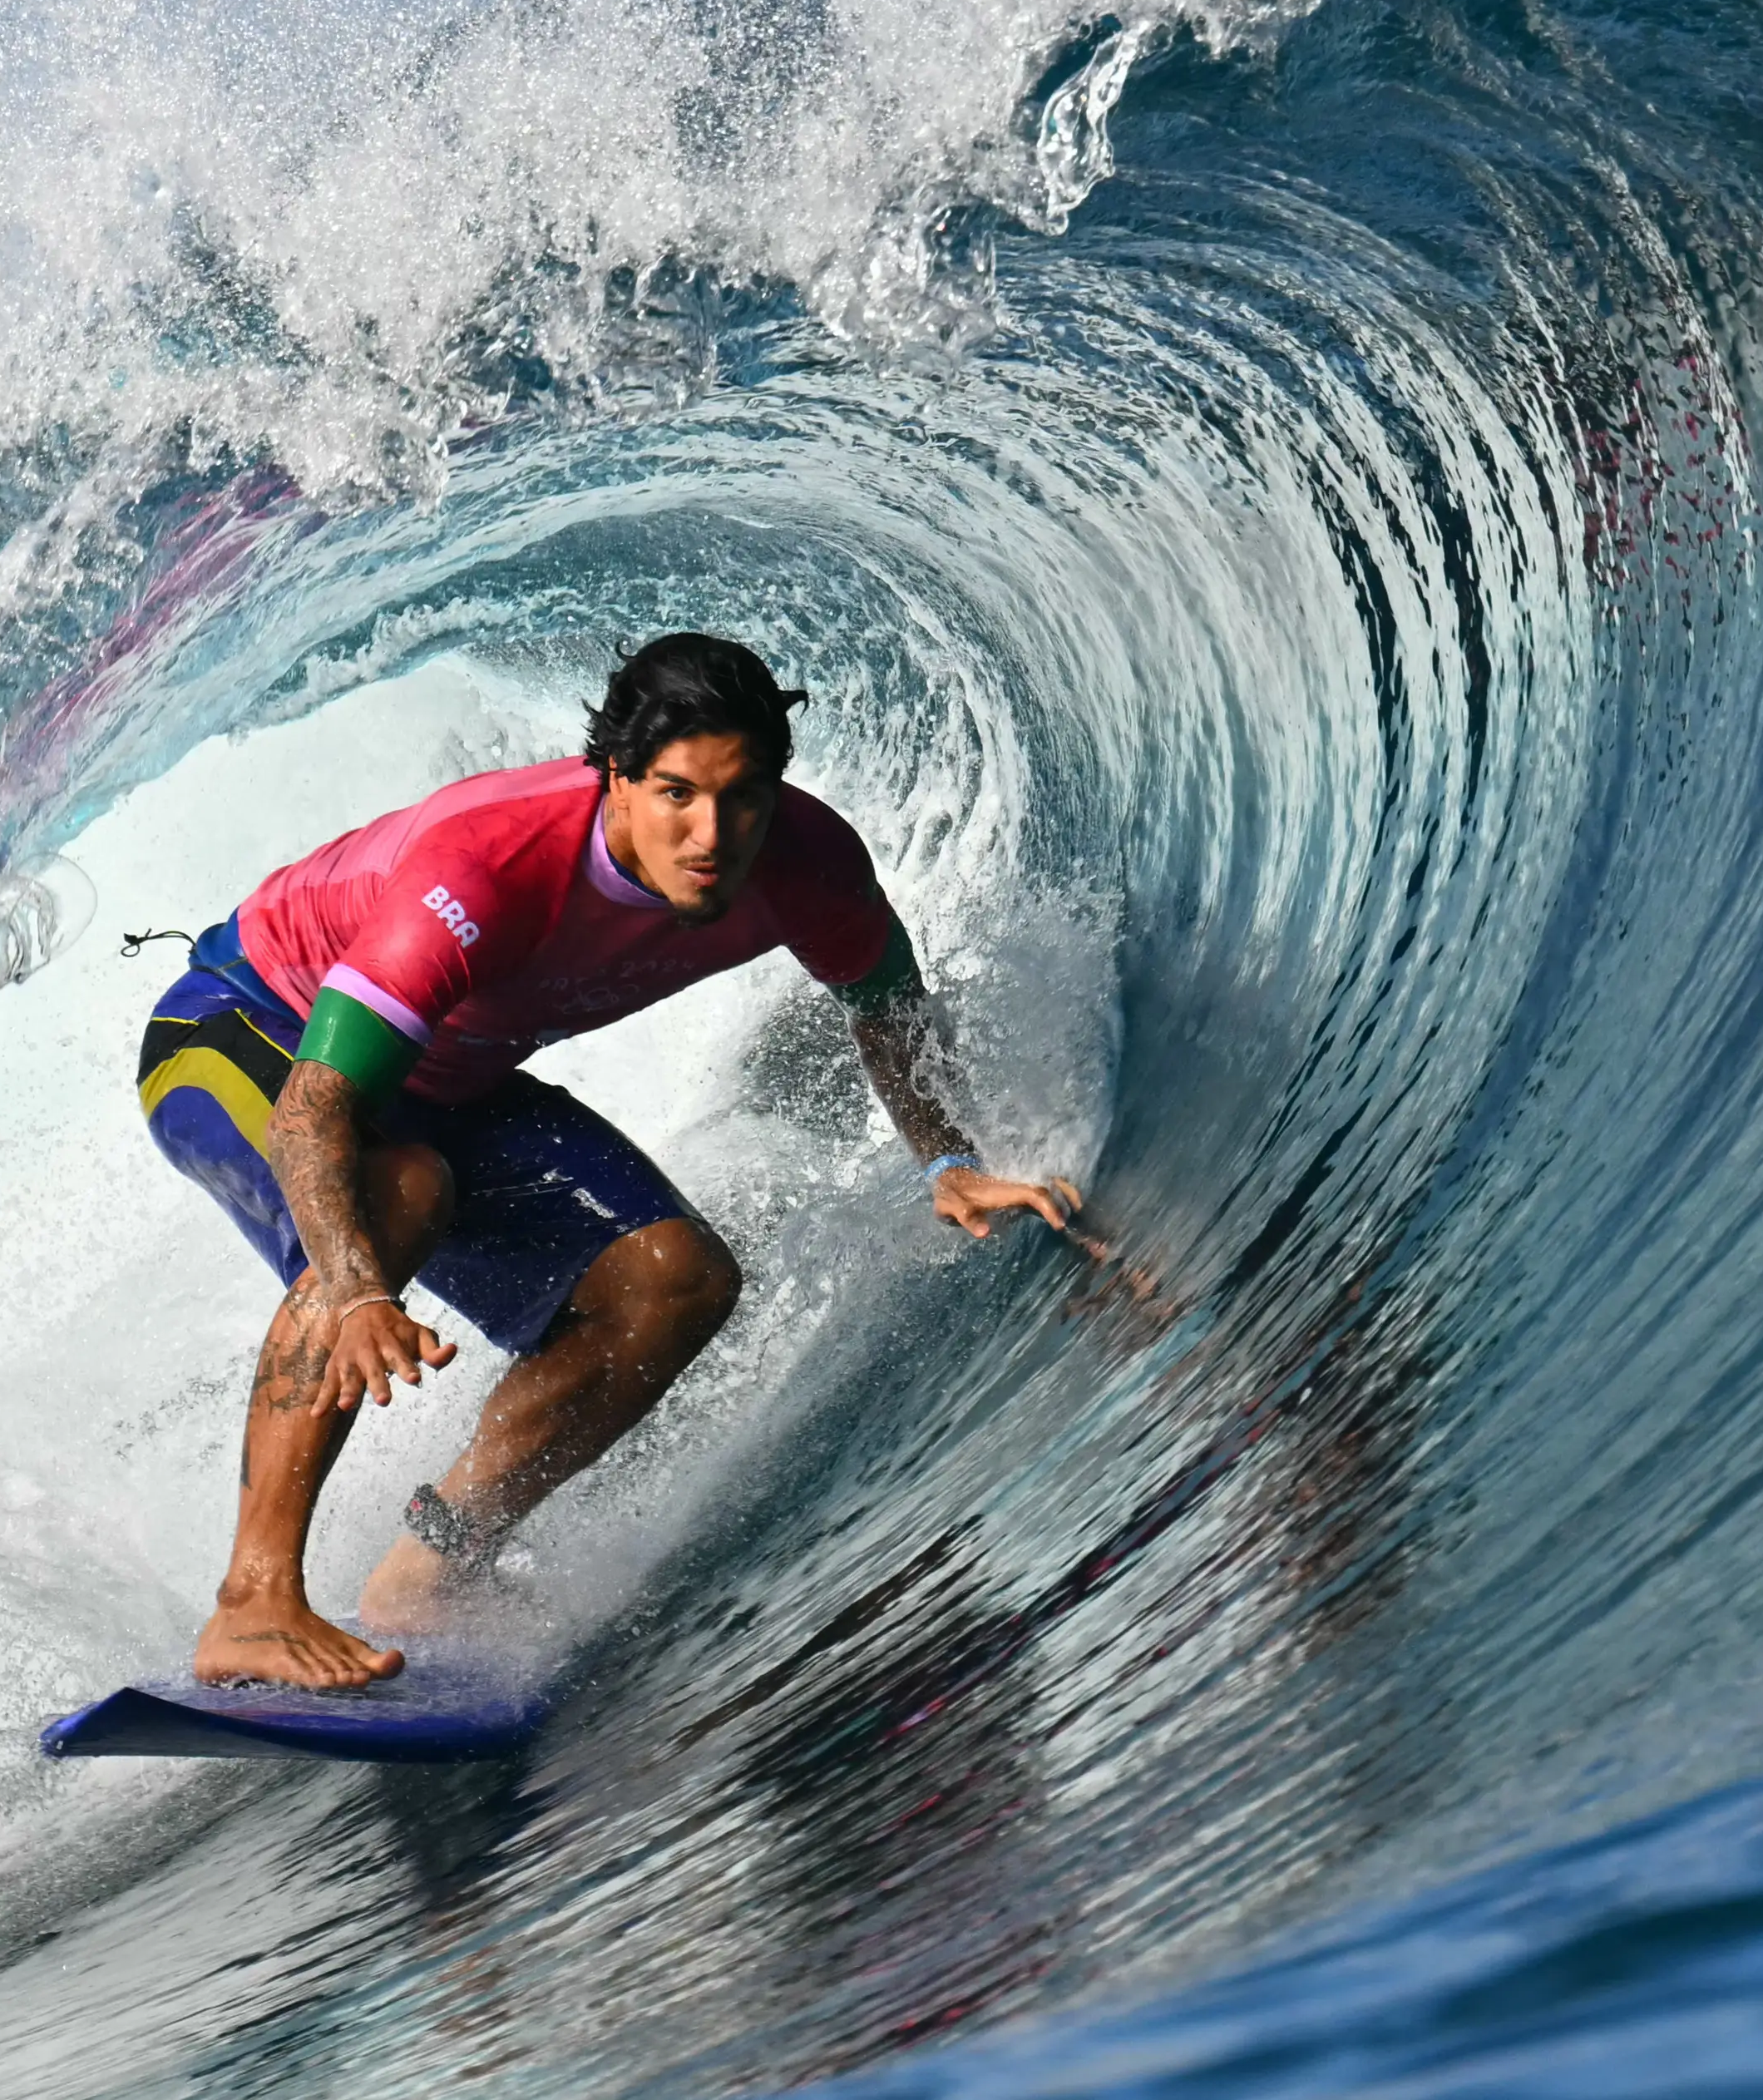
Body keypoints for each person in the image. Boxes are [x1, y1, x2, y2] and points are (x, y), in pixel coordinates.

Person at [134, 632, 1086, 1688]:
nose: (711, 834)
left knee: (674, 1282)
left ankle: (437, 1564)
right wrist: (357, 1292)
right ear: (617, 780)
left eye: (743, 796)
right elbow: (312, 1114)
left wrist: (944, 1159)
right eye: (676, 794)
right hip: (245, 1030)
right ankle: (252, 1601)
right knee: (400, 1190)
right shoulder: (487, 869)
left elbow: (885, 1001)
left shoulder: (805, 860)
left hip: (451, 1079)